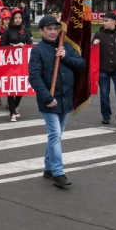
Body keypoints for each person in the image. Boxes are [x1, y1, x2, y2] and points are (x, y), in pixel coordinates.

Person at [28, 16, 85, 188]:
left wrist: (66, 56)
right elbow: (34, 77)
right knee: (54, 135)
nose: (53, 32)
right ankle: (58, 172)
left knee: (57, 136)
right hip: (49, 99)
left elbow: (81, 64)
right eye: (49, 29)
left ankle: (48, 168)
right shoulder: (38, 51)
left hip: (65, 97)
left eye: (55, 29)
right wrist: (47, 97)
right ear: (41, 31)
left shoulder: (65, 46)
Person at [92, 12, 116, 125]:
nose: (104, 23)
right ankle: (106, 115)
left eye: (106, 21)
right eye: (103, 21)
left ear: (114, 21)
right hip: (103, 70)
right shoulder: (99, 34)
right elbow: (93, 51)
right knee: (104, 94)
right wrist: (94, 44)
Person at [0, 8, 33, 121]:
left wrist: (23, 46)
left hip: (21, 63)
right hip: (10, 63)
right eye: (16, 18)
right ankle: (12, 112)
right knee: (11, 87)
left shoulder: (25, 31)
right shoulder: (7, 31)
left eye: (20, 18)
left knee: (21, 87)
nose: (18, 20)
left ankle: (15, 105)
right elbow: (1, 47)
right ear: (12, 19)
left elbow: (29, 45)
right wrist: (11, 47)